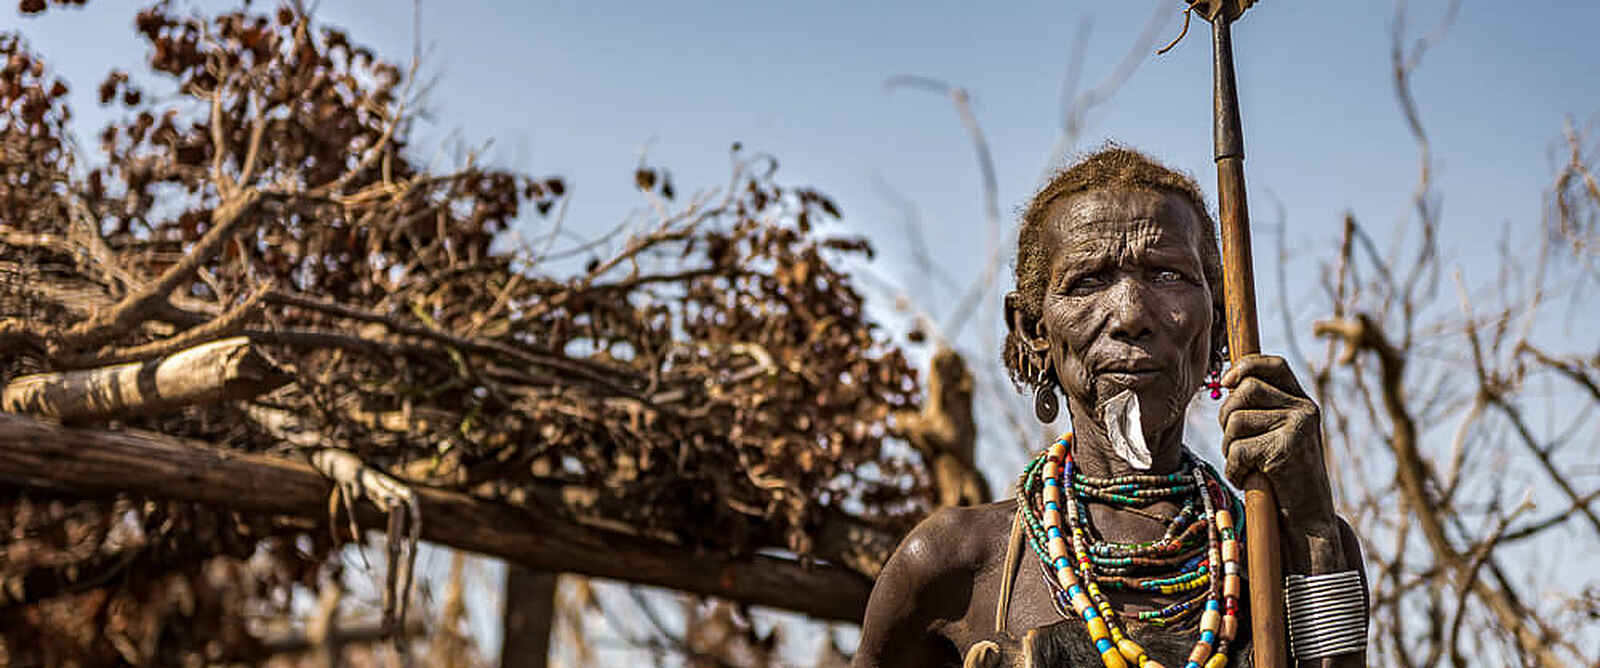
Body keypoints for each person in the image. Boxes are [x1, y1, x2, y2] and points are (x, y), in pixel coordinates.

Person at [852, 147, 1367, 668]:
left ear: (1219, 319)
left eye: (1168, 275)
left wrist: (1310, 522)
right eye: (1089, 281)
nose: (1131, 315)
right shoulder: (952, 563)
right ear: (1033, 331)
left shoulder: (1284, 546)